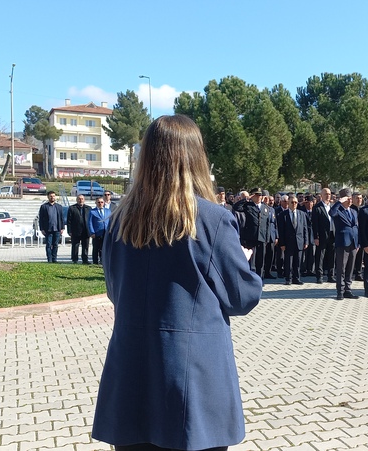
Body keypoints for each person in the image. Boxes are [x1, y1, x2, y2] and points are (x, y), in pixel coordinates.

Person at [92, 115, 262, 451]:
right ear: (195, 157)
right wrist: (241, 260)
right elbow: (243, 298)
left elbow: (115, 290)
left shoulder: (119, 219)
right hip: (193, 383)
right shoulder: (213, 219)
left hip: (131, 375)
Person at [330, 188, 359, 300]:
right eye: (347, 199)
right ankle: (340, 291)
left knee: (350, 268)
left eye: (351, 198)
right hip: (342, 242)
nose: (350, 201)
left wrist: (358, 242)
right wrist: (339, 202)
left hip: (353, 242)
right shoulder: (338, 210)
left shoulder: (354, 211)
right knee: (341, 268)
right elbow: (331, 213)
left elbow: (356, 227)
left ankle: (348, 289)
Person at [277, 194, 308, 285]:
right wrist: (282, 243)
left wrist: (306, 241)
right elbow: (281, 230)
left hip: (299, 241)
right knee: (288, 262)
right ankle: (288, 278)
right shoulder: (283, 215)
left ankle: (297, 278)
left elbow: (305, 228)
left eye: (295, 202)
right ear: (288, 203)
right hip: (288, 242)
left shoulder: (302, 214)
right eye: (292, 202)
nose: (294, 204)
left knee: (298, 261)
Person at [311, 188, 336, 284]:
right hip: (321, 236)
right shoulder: (317, 207)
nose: (328, 195)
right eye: (326, 194)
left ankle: (331, 275)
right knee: (320, 256)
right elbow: (315, 224)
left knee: (332, 256)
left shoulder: (333, 207)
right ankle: (319, 276)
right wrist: (316, 237)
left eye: (329, 194)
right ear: (321, 195)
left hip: (332, 234)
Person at [38, 191, 64, 263]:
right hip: (48, 229)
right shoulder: (44, 207)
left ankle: (54, 259)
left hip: (57, 229)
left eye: (53, 196)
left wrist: (62, 228)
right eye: (51, 196)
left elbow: (61, 218)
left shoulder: (59, 207)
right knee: (49, 245)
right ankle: (49, 259)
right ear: (48, 197)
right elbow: (41, 219)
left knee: (55, 244)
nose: (52, 197)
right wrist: (42, 229)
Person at [67, 194, 92, 264]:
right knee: (75, 245)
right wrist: (69, 231)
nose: (80, 200)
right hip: (75, 230)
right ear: (76, 200)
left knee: (85, 246)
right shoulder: (72, 208)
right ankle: (75, 259)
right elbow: (69, 221)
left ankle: (85, 259)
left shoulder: (88, 208)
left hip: (86, 230)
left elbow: (90, 220)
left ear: (84, 200)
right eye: (79, 199)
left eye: (82, 199)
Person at [88, 197, 110, 265]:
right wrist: (92, 232)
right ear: (96, 203)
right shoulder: (92, 212)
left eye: (101, 202)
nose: (100, 203)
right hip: (97, 233)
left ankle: (103, 260)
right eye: (98, 202)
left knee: (104, 248)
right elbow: (89, 223)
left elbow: (110, 221)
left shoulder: (108, 211)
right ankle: (95, 261)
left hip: (106, 232)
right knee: (96, 248)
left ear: (104, 203)